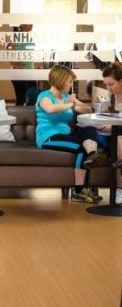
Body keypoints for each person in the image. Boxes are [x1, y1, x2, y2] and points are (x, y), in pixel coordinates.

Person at [35, 64, 102, 203]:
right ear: (60, 80)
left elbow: (89, 111)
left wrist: (77, 104)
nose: (71, 85)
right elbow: (51, 109)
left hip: (65, 135)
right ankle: (78, 192)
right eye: (70, 81)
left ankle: (91, 154)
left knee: (89, 129)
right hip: (48, 136)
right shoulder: (44, 96)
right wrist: (70, 105)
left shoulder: (66, 97)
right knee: (80, 147)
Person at [102, 62, 122, 204]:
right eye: (106, 84)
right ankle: (118, 188)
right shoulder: (113, 96)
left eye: (111, 84)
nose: (108, 88)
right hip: (117, 131)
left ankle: (119, 188)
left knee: (119, 142)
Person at [10, 24, 38, 105]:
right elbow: (9, 51)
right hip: (19, 73)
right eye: (29, 23)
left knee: (32, 99)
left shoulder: (29, 37)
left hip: (29, 73)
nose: (32, 25)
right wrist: (14, 64)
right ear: (22, 24)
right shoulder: (17, 36)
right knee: (21, 100)